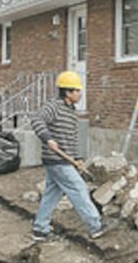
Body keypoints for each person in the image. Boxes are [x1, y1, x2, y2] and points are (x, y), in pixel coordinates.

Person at [30, 71, 107, 241]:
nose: (80, 94)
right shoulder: (54, 106)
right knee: (78, 188)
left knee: (52, 194)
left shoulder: (71, 112)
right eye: (77, 91)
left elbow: (71, 138)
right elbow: (36, 119)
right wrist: (47, 138)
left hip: (64, 160)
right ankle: (96, 225)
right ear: (68, 92)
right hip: (56, 160)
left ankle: (40, 229)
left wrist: (78, 158)